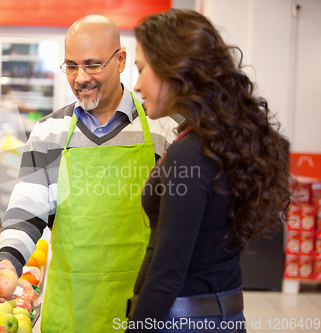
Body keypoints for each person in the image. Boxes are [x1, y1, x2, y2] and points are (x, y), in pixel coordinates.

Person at [0, 14, 179, 332]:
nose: (80, 77)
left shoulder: (162, 130)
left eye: (92, 65)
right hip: (71, 310)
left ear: (121, 60)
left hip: (141, 309)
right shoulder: (49, 132)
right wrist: (8, 262)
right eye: (71, 66)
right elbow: (27, 211)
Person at [124, 9, 291, 333]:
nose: (137, 83)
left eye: (142, 69)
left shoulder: (190, 153)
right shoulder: (218, 142)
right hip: (219, 314)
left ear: (173, 69)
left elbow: (168, 272)